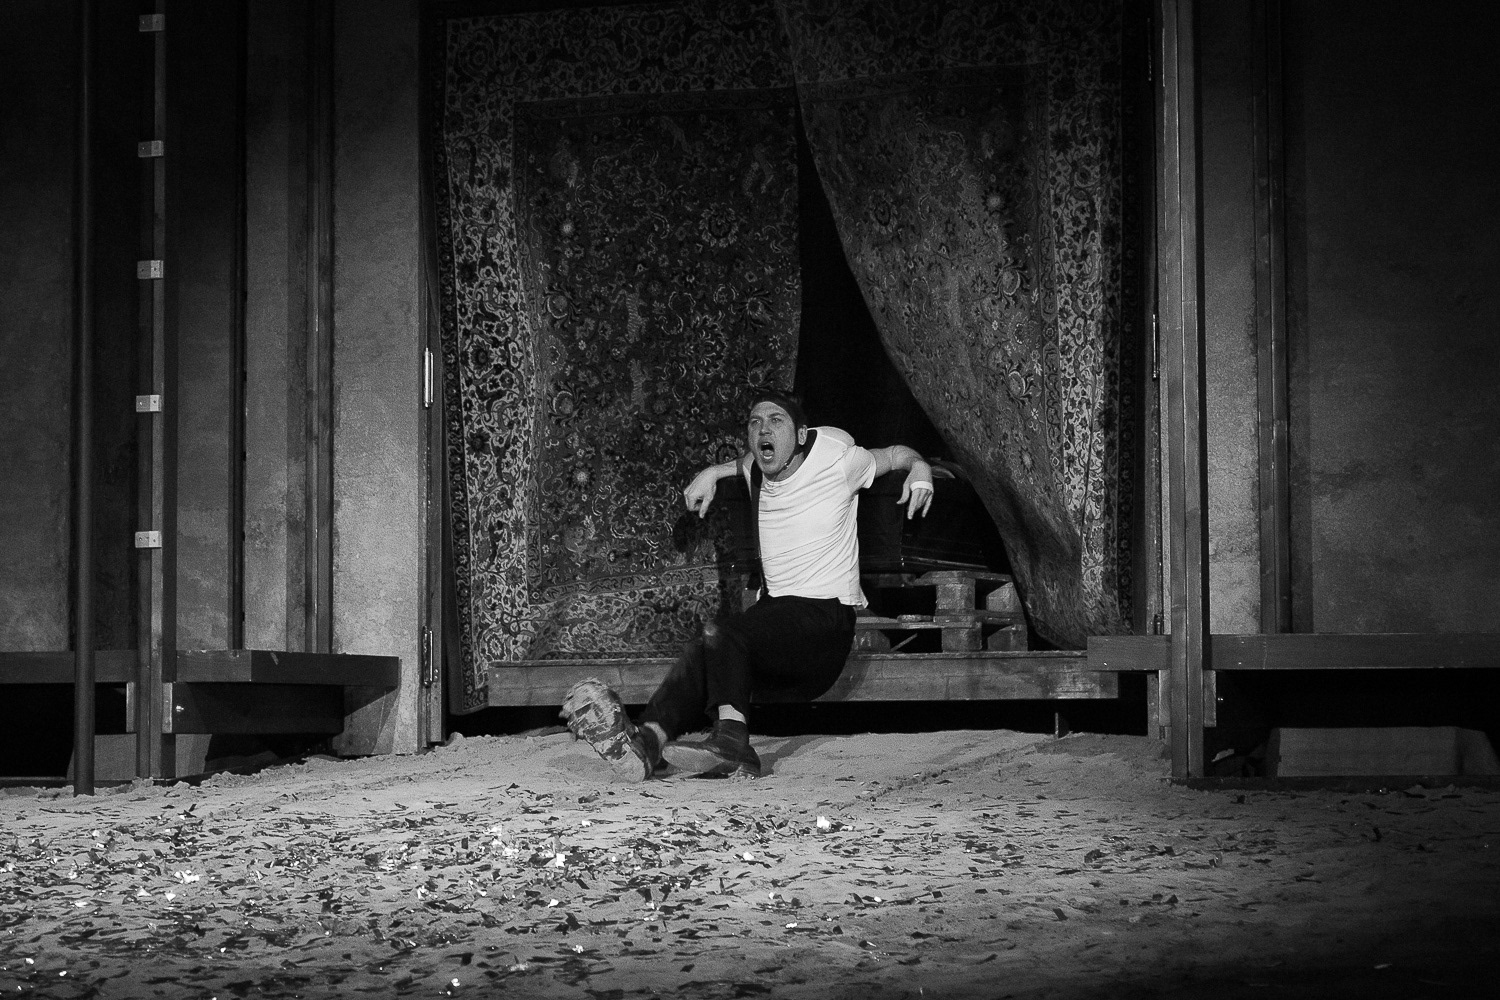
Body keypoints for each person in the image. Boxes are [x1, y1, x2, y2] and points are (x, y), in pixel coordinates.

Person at [560, 389, 934, 779]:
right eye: (755, 423)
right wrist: (711, 472)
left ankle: (733, 741)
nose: (763, 429)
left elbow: (895, 454)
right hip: (777, 627)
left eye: (776, 421)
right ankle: (648, 743)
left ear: (801, 435)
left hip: (825, 623)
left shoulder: (838, 460)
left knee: (724, 632)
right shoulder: (756, 466)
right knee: (705, 649)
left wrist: (920, 468)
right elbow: (741, 463)